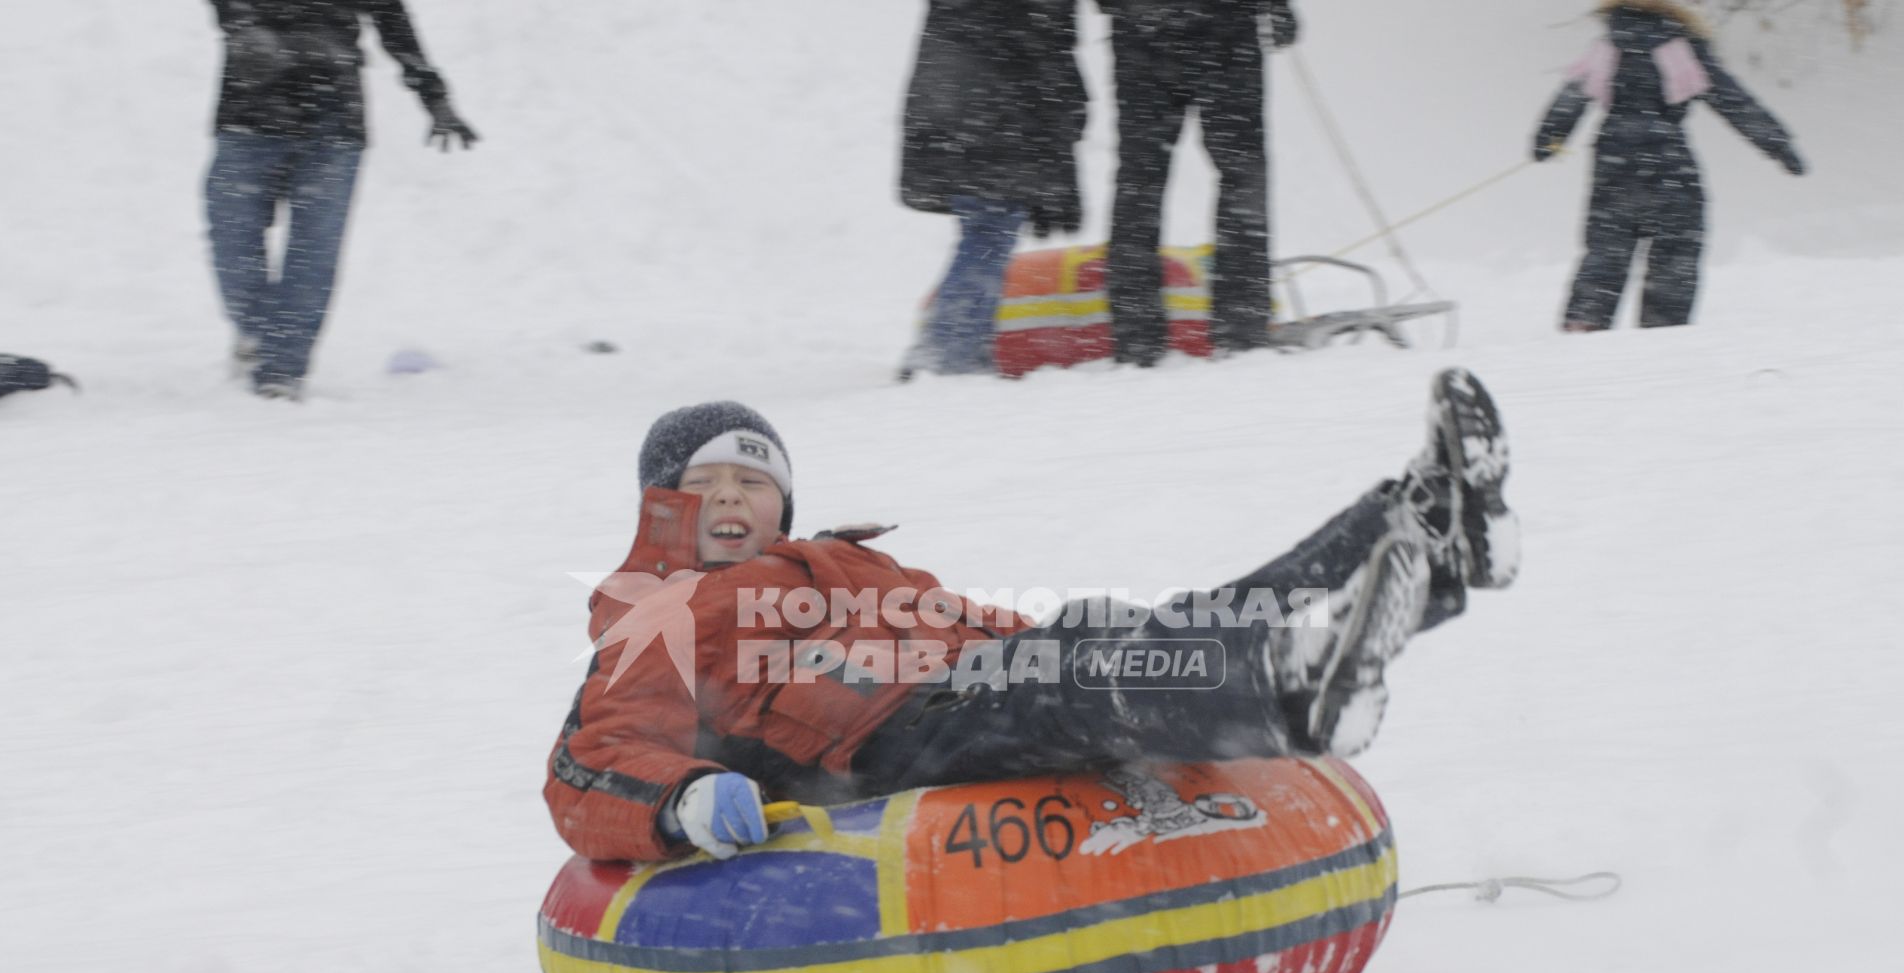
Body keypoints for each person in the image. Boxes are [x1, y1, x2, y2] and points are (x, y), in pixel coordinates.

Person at [543, 369, 1518, 863]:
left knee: (1111, 634)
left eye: (753, 482)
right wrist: (678, 801)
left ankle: (1420, 528)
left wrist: (1080, 640)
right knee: (1066, 681)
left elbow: (965, 623)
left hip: (950, 691)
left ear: (783, 503)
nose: (730, 498)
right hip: (865, 746)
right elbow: (592, 758)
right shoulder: (657, 613)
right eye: (703, 483)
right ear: (659, 505)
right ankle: (1290, 697)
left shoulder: (843, 560)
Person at [204, 1, 478, 401]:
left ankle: (281, 371)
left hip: (332, 122)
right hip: (249, 113)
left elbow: (391, 16)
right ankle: (260, 332)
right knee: (232, 239)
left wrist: (434, 96)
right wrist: (242, 23)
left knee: (313, 255)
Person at [1533, 0, 1804, 332]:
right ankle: (1663, 328)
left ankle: (1586, 320)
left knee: (1607, 246)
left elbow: (1571, 96)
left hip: (1613, 159)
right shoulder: (1681, 46)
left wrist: (1550, 138)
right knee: (1676, 247)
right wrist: (1778, 145)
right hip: (1667, 159)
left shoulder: (1606, 47)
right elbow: (1732, 100)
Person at [1099, 1, 1299, 367]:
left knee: (1139, 181)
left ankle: (1136, 339)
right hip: (1222, 29)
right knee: (1241, 176)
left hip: (1144, 31)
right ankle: (1241, 332)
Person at [897, 0, 1088, 377]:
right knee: (987, 236)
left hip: (961, 107)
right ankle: (948, 355)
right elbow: (1046, 56)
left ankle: (952, 346)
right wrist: (1062, 152)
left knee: (984, 235)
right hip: (995, 117)